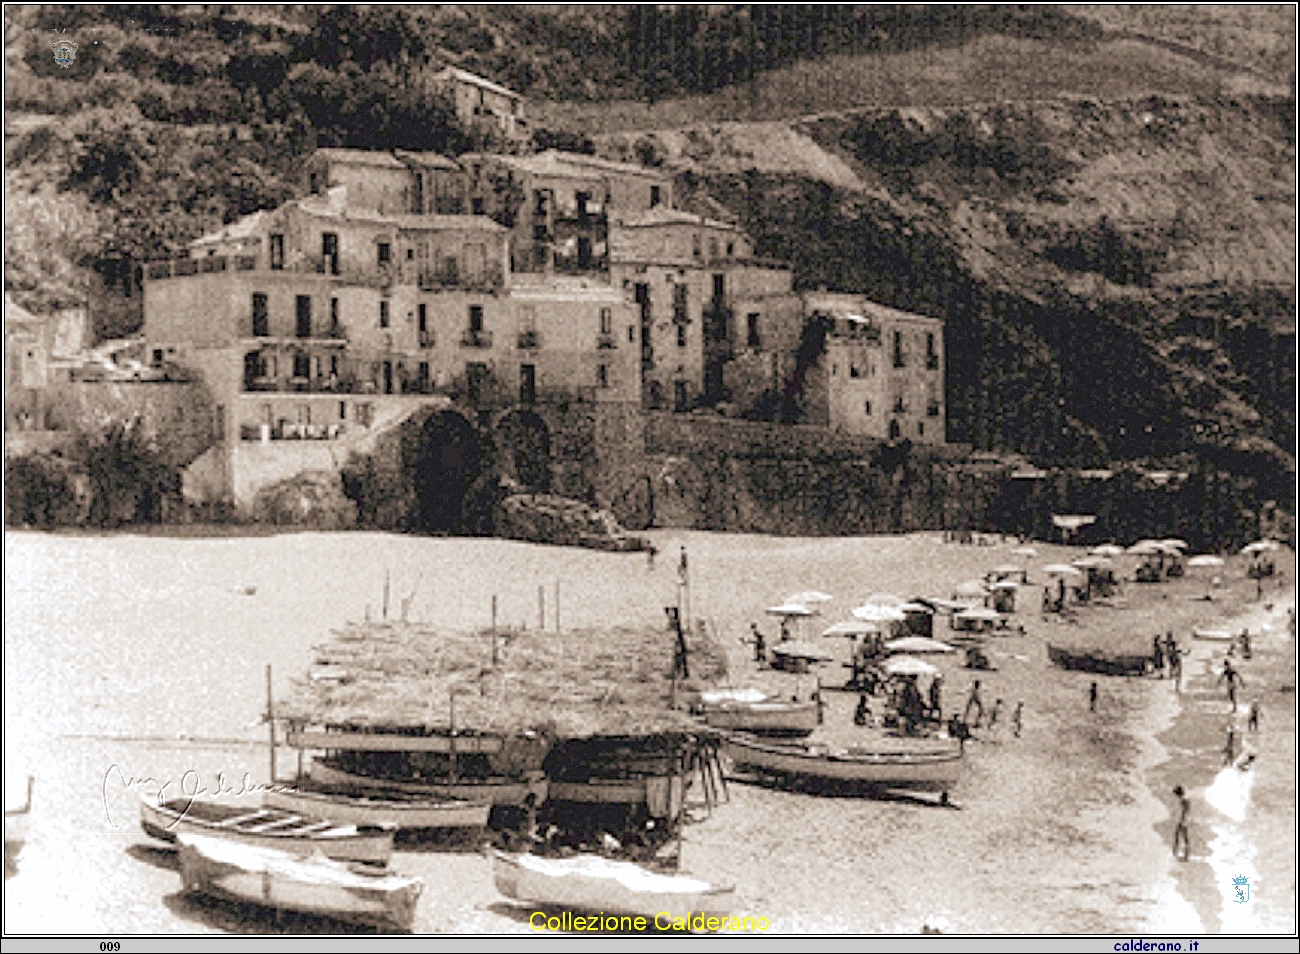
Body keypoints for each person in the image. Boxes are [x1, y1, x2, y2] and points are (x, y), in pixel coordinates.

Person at [1172, 786, 1190, 861]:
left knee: (1179, 836)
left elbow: (1183, 811)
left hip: (1183, 820)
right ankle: (1185, 854)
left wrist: (1181, 820)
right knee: (1183, 837)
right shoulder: (1185, 799)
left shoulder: (1183, 800)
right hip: (1185, 819)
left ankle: (1177, 853)